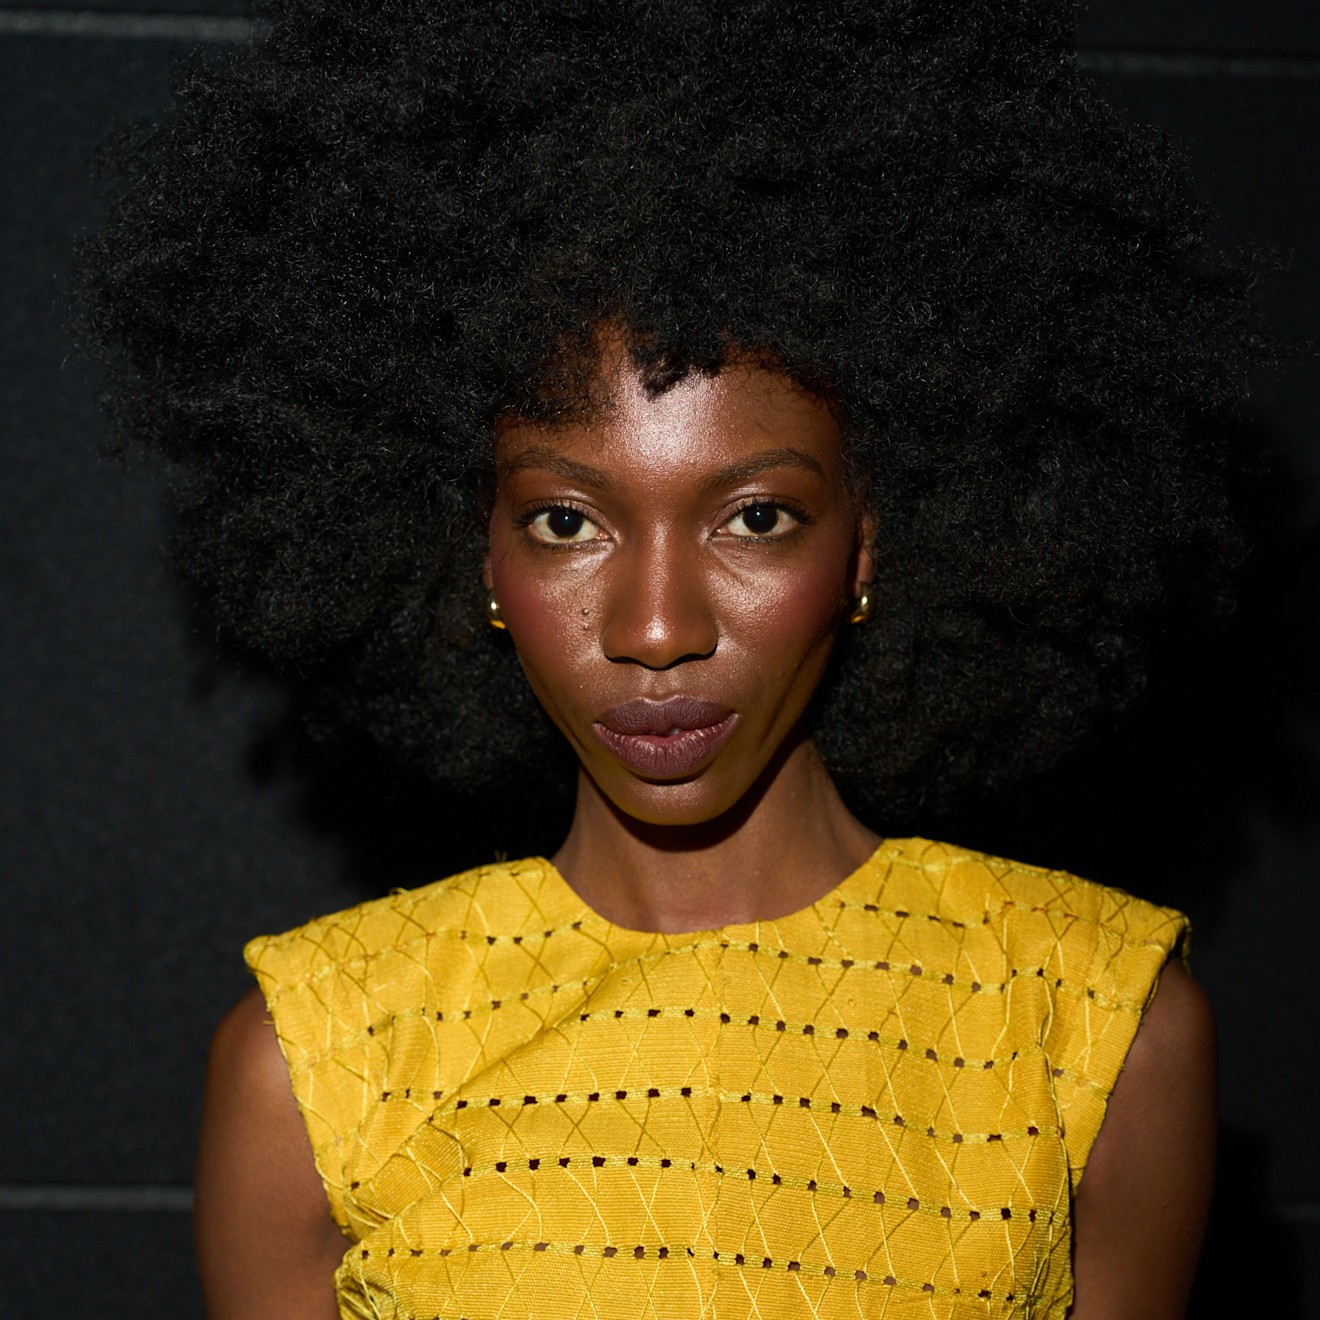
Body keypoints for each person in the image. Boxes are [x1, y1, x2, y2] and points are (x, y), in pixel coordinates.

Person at [79, 1, 1272, 1315]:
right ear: (477, 558)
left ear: (868, 544)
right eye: (565, 523)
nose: (656, 629)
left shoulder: (1095, 1027)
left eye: (755, 518)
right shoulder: (317, 1059)